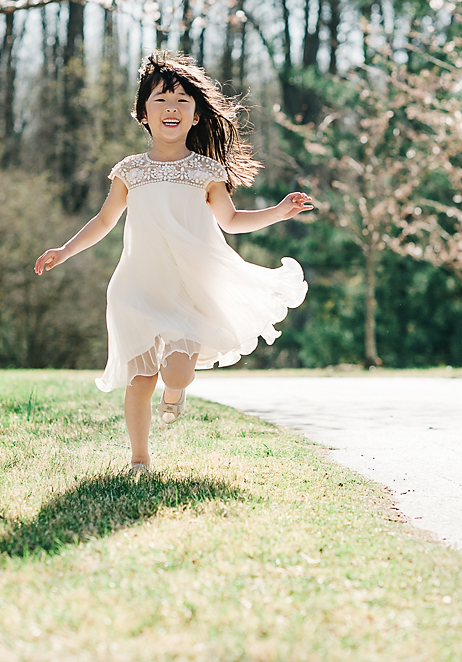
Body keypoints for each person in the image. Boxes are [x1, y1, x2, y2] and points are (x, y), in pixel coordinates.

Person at [34, 50, 311, 475]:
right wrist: (64, 250)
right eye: (161, 99)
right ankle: (139, 459)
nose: (172, 108)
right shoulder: (130, 170)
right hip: (137, 287)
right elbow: (105, 220)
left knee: (178, 374)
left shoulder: (206, 170)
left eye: (183, 100)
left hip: (187, 288)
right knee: (141, 380)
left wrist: (277, 211)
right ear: (143, 112)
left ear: (196, 115)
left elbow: (232, 221)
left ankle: (176, 393)